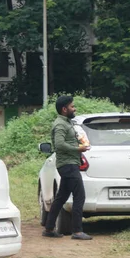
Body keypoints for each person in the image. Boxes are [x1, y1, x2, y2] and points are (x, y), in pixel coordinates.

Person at [43, 95, 93, 240]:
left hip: (69, 164)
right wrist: (78, 149)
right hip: (68, 165)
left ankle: (49, 228)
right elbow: (59, 144)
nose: (74, 108)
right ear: (64, 109)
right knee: (79, 196)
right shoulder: (60, 125)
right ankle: (77, 231)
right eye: (72, 106)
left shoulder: (66, 122)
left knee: (61, 197)